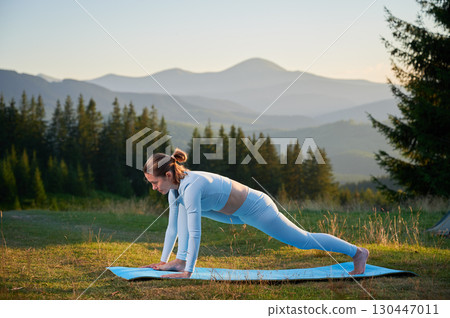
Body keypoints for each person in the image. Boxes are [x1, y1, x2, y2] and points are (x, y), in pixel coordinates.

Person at [140, 148, 369, 278]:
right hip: (232, 213)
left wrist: (189, 272)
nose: (153, 187)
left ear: (168, 176)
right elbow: (173, 228)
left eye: (154, 182)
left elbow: (194, 232)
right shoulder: (176, 191)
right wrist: (162, 262)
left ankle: (357, 252)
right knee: (182, 213)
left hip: (257, 208)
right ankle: (178, 261)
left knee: (302, 240)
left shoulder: (192, 187)